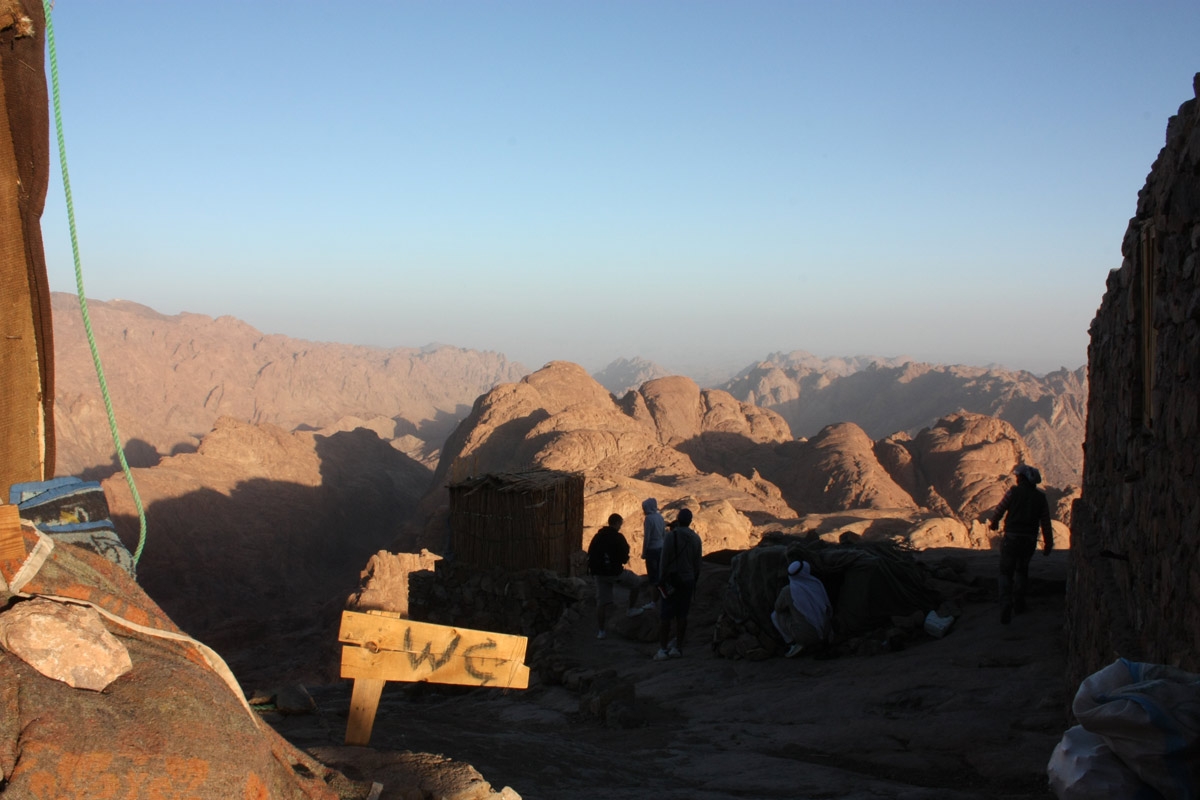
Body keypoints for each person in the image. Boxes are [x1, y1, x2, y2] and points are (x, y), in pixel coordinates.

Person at [989, 464, 1054, 624]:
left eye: (1019, 476)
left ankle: (1005, 603)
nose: (1016, 479)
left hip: (1011, 538)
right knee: (1021, 570)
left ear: (1023, 478)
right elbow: (1045, 522)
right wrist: (1048, 543)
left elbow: (1000, 508)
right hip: (1029, 540)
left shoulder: (1013, 492)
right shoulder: (1041, 498)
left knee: (1005, 571)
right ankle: (1019, 603)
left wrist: (994, 522)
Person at [654, 508, 702, 660]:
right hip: (687, 580)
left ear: (678, 520)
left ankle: (662, 649)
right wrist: (694, 580)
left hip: (671, 580)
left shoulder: (671, 536)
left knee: (666, 615)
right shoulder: (696, 538)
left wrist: (661, 579)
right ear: (690, 521)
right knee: (682, 615)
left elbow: (664, 560)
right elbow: (697, 563)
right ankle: (678, 648)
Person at [587, 513, 639, 639]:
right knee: (636, 583)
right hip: (615, 572)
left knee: (601, 603)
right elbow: (624, 557)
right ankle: (631, 609)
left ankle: (601, 631)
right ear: (616, 523)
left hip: (599, 573)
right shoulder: (618, 537)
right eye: (620, 523)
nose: (621, 526)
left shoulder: (597, 536)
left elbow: (590, 553)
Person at [771, 560, 832, 658]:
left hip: (806, 637)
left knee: (775, 615)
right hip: (826, 632)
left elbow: (778, 607)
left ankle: (791, 644)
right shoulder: (816, 583)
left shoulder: (788, 590)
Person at [627, 497, 665, 616]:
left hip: (652, 550)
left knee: (653, 577)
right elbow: (664, 533)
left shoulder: (649, 519)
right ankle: (661, 598)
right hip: (661, 548)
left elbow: (647, 537)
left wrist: (644, 552)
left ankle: (653, 602)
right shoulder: (660, 517)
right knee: (660, 574)